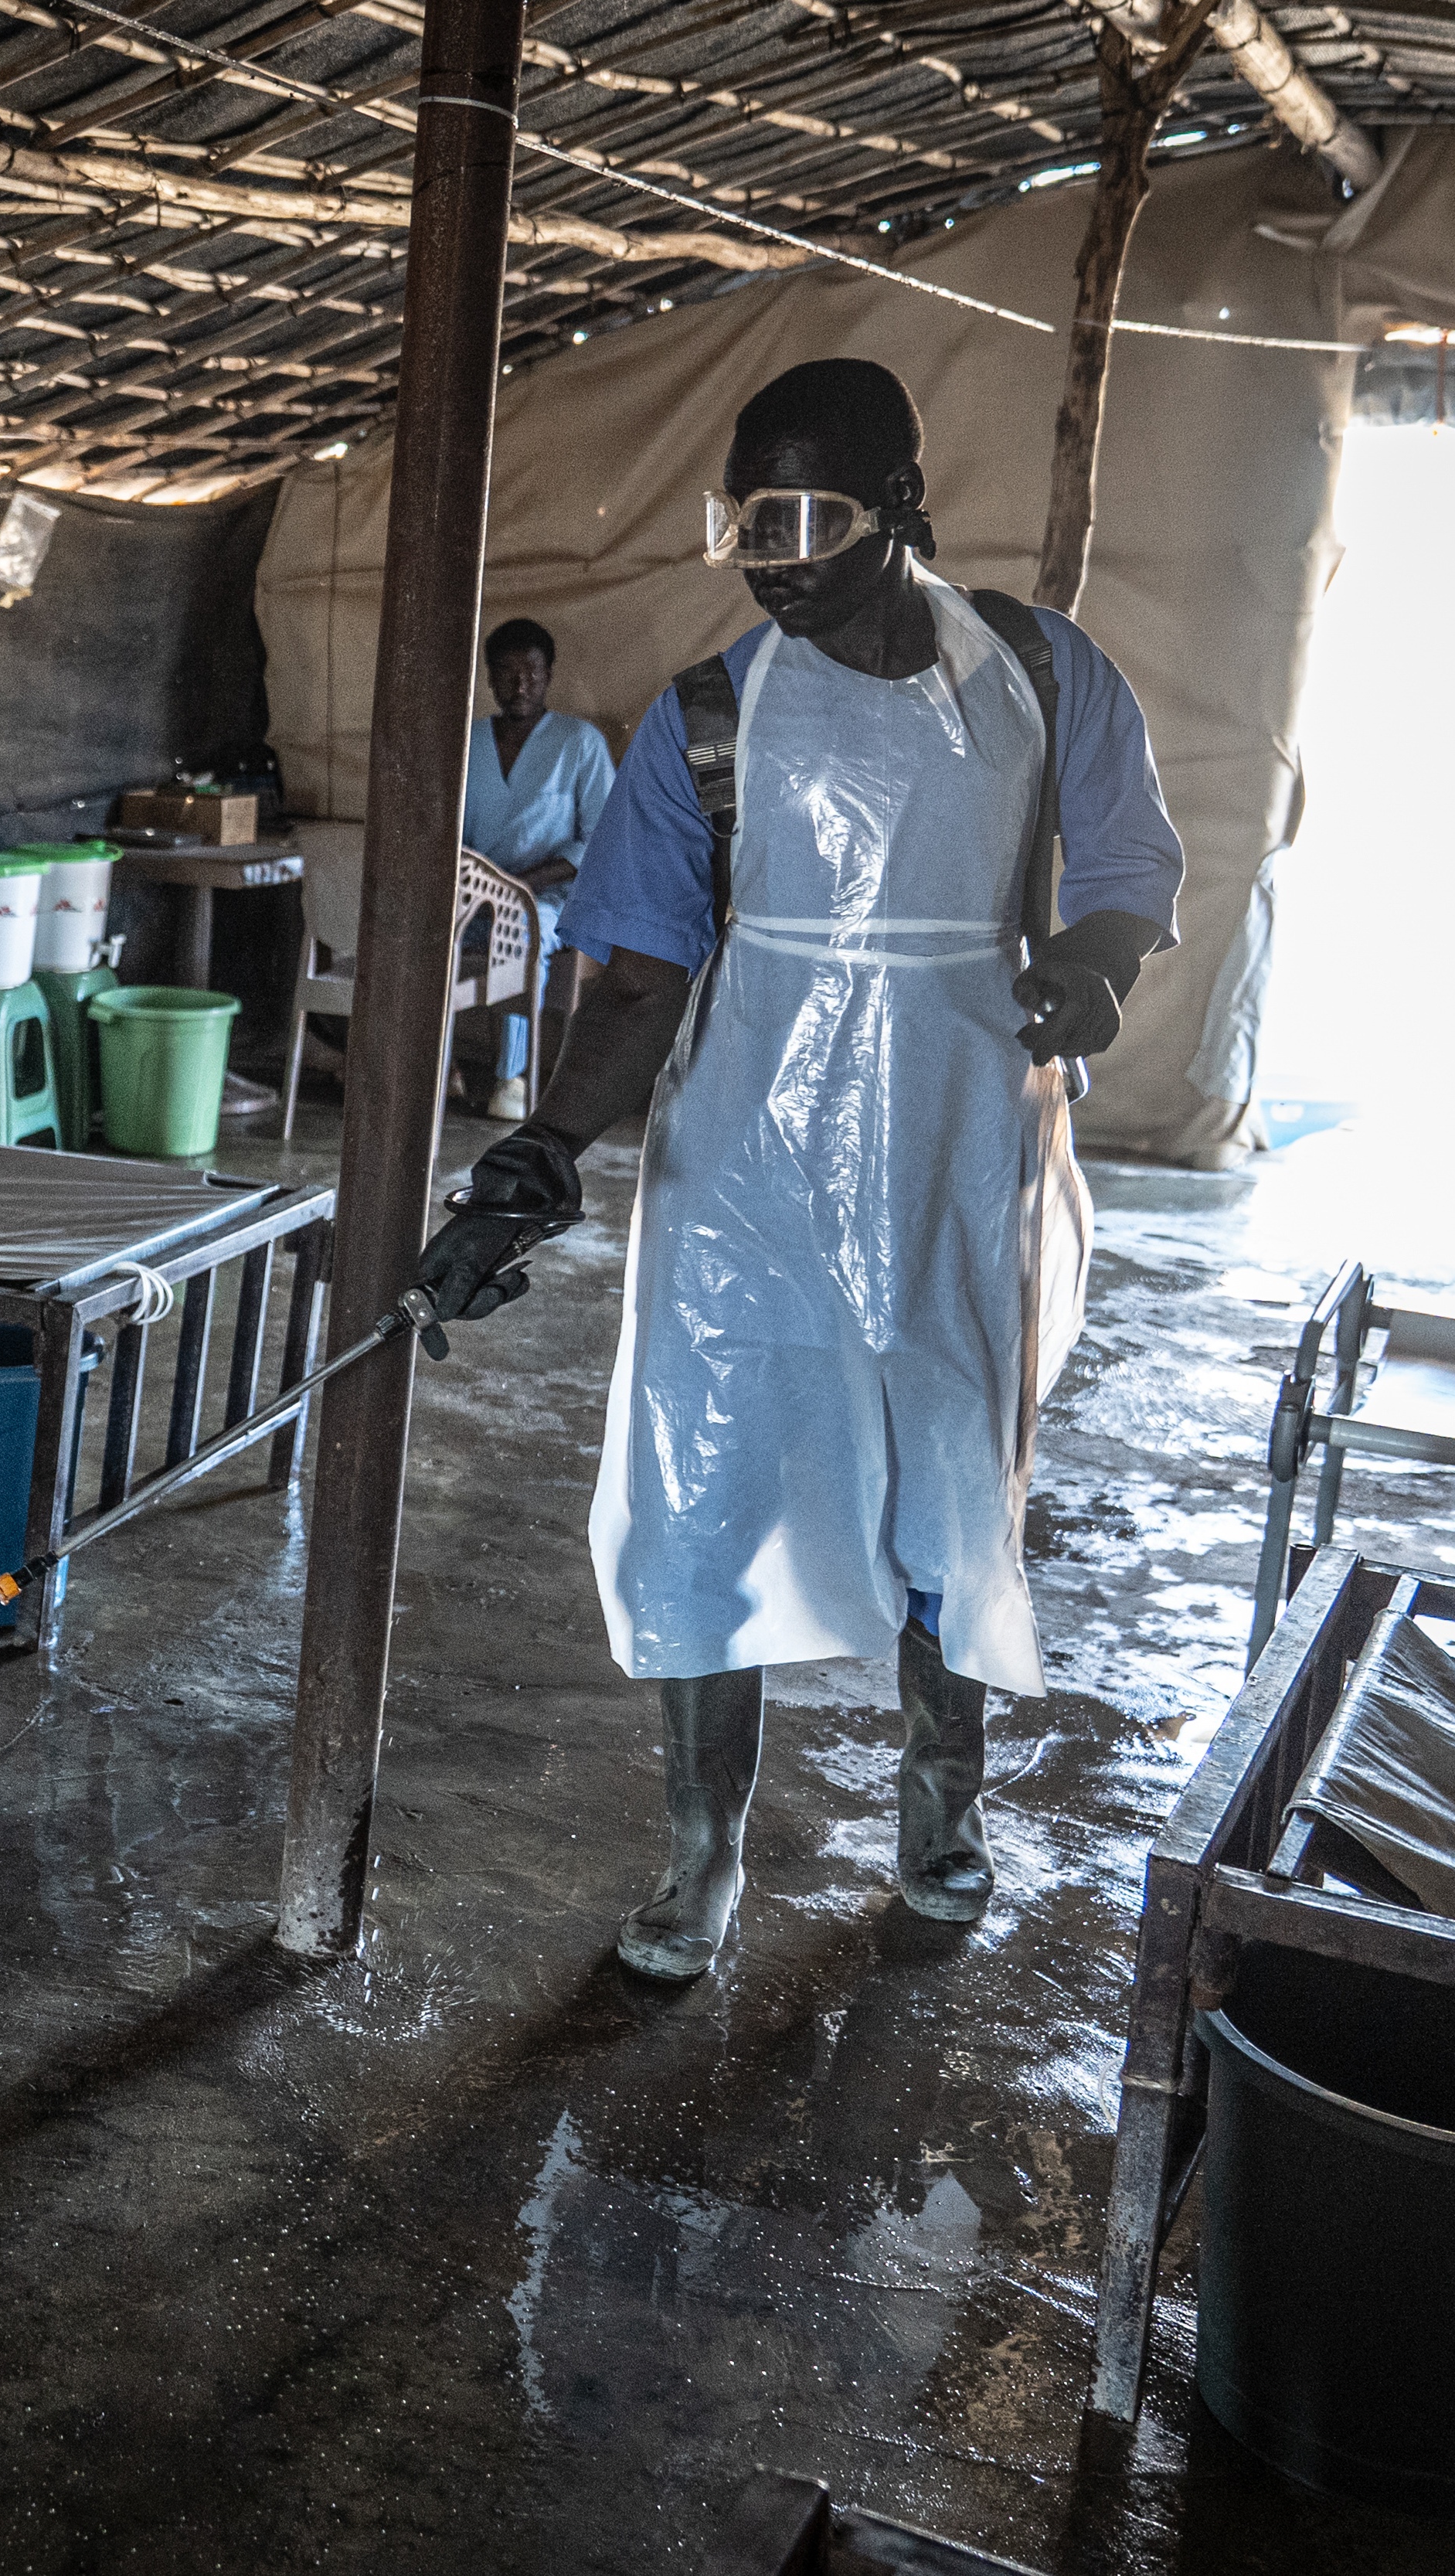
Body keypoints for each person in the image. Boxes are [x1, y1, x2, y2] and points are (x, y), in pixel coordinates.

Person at [410, 359, 1184, 1980]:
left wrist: (1093, 965)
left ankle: (940, 1818)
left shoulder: (1043, 674)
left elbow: (1124, 866)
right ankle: (701, 1854)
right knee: (705, 1481)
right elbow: (638, 975)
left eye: (805, 519)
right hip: (745, 1162)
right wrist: (535, 1154)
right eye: (744, 524)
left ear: (899, 505)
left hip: (954, 1146)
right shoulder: (707, 716)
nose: (768, 558)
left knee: (948, 1477)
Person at [457, 618, 618, 1118]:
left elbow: (602, 840)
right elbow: (448, 830)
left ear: (549, 675)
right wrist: (475, 885)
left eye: (531, 672)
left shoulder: (579, 742)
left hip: (547, 897)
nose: (520, 684)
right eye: (506, 673)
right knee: (424, 932)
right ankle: (440, 1067)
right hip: (470, 891)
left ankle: (511, 1077)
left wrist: (518, 887)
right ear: (489, 679)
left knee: (520, 932)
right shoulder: (468, 741)